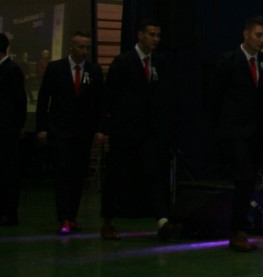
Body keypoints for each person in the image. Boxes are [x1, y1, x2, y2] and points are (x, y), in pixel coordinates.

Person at [207, 15, 263, 252]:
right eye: (258, 35)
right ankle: (237, 229)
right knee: (243, 175)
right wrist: (221, 128)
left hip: (256, 132)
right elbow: (215, 96)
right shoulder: (228, 61)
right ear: (246, 34)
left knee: (249, 179)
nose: (262, 40)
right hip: (234, 131)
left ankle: (240, 226)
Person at [102, 18, 177, 240]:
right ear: (140, 35)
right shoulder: (123, 62)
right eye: (152, 34)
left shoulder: (159, 62)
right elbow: (109, 97)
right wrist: (106, 128)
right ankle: (108, 221)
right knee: (116, 176)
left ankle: (162, 220)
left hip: (148, 132)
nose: (156, 39)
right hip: (124, 131)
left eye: (158, 35)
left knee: (154, 173)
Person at [34, 31, 105, 234]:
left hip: (83, 131)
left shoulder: (94, 71)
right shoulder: (55, 68)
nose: (85, 51)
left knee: (79, 174)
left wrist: (100, 129)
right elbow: (44, 99)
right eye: (81, 47)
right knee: (63, 173)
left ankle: (72, 216)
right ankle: (64, 216)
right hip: (60, 130)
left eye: (87, 47)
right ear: (71, 47)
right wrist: (41, 127)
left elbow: (100, 102)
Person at [1, 33, 30, 226]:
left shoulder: (12, 70)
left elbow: (20, 103)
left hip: (6, 131)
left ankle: (9, 212)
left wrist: (15, 127)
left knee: (7, 173)